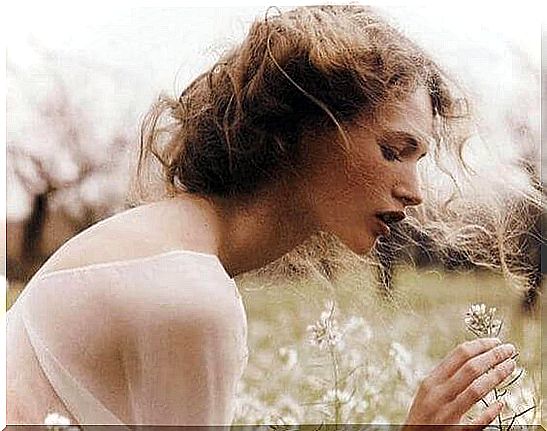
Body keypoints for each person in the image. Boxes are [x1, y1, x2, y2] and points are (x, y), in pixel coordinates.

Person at [7, 5, 522, 427]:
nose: (414, 193)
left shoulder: (166, 243)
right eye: (393, 150)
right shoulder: (187, 293)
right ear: (306, 128)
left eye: (418, 160)